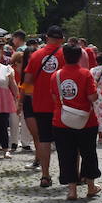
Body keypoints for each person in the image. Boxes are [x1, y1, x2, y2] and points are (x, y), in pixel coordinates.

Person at [51, 44, 101, 201]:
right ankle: (91, 187)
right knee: (88, 153)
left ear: (64, 57)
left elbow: (54, 98)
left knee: (66, 155)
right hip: (86, 121)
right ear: (80, 56)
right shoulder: (86, 74)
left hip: (62, 121)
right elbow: (93, 97)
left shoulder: (56, 75)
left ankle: (72, 190)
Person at [24, 26, 66, 188]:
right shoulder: (66, 54)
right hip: (62, 104)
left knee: (44, 140)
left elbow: (27, 80)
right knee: (66, 141)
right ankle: (69, 175)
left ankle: (45, 175)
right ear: (61, 39)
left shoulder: (36, 55)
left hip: (41, 104)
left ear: (47, 37)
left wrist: (34, 91)